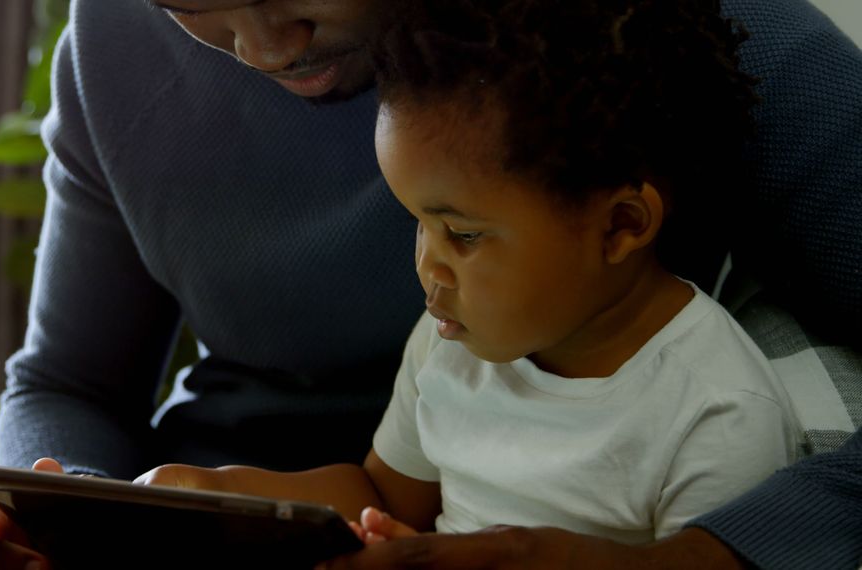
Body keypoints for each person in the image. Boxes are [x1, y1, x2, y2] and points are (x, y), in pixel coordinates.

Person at [0, 0, 858, 568]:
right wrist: (65, 525)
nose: (261, 42)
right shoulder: (110, 45)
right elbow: (66, 381)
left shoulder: (657, 40)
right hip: (205, 527)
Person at [132, 0, 798, 552]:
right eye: (419, 224)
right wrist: (209, 493)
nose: (428, 263)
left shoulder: (718, 414)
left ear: (621, 225)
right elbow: (385, 497)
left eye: (465, 234)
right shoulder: (451, 343)